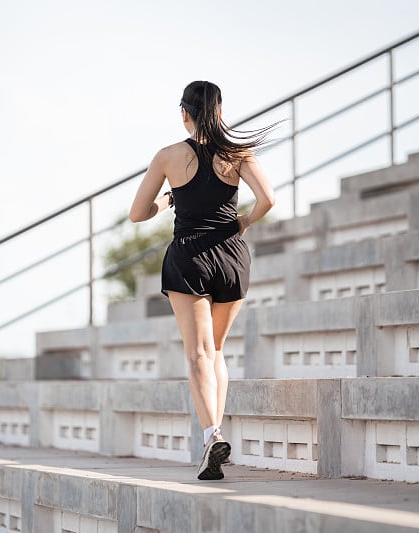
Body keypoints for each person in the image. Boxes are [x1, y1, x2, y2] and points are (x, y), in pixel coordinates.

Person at [129, 81, 275, 480]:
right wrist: (242, 222)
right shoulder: (238, 152)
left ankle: (212, 435)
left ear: (185, 113)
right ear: (221, 113)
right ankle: (214, 438)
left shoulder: (168, 156)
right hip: (231, 256)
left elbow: (137, 214)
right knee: (216, 351)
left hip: (189, 257)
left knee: (197, 354)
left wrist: (168, 201)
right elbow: (268, 199)